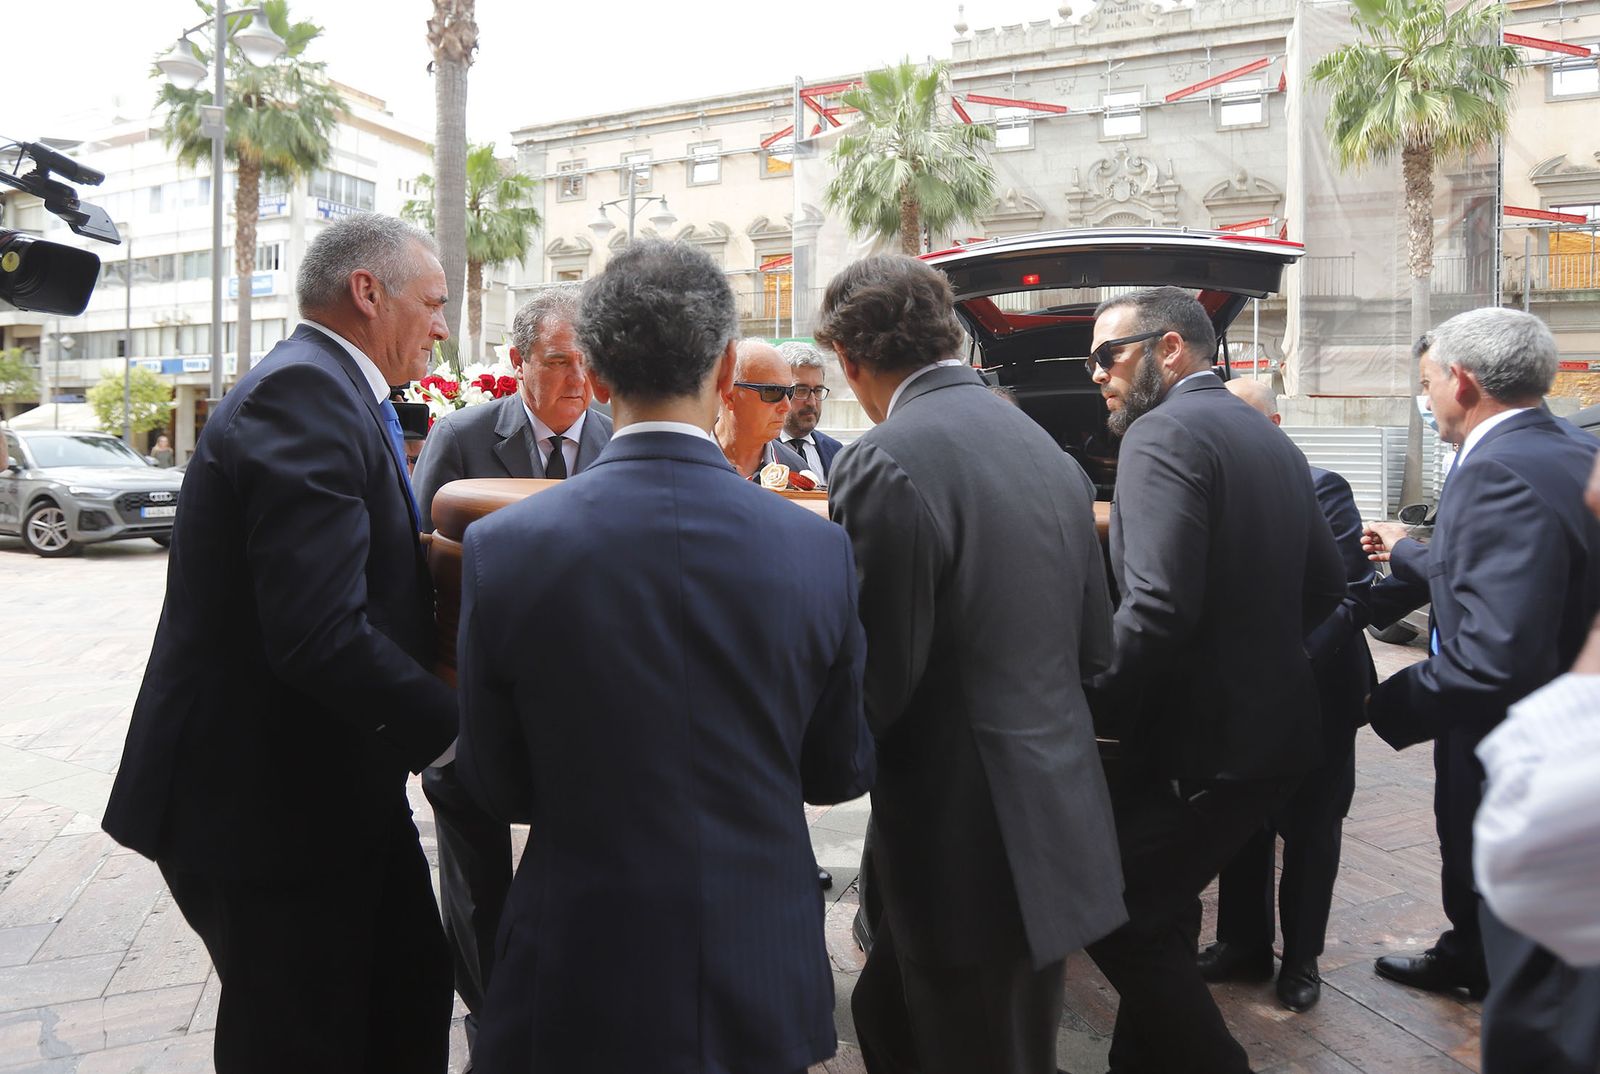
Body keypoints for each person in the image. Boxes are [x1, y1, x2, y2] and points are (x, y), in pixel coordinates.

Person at [454, 239, 875, 1074]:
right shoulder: (818, 548)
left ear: (595, 375)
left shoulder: (506, 548)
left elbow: (496, 785)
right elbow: (837, 768)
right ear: (728, 369)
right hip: (760, 951)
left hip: (582, 952)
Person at [101, 214, 458, 1074]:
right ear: (367, 293)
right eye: (433, 302)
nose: (443, 326)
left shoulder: (329, 387)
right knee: (303, 1039)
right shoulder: (303, 392)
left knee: (407, 991)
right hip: (263, 807)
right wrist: (458, 733)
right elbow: (319, 631)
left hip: (327, 784)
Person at [821, 254, 1126, 1074]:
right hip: (1053, 814)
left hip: (959, 834)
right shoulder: (1050, 454)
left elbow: (875, 681)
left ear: (848, 357)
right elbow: (1095, 645)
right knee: (904, 1018)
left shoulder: (882, 458)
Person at [1084, 286, 1346, 1074]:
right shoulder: (1270, 438)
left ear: (1169, 349)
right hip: (1276, 738)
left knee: (1120, 918)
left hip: (1200, 750)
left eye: (1107, 355)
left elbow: (1156, 607)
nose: (1096, 374)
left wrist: (1091, 704)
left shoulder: (1162, 432)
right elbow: (1327, 586)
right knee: (1160, 914)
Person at [1362, 306, 1600, 1073]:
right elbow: (1506, 580)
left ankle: (1489, 969)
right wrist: (1410, 554)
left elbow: (1490, 657)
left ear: (1461, 381)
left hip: (1508, 737)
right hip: (1558, 720)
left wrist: (1381, 705)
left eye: (1427, 381)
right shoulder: (1570, 449)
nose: (1426, 396)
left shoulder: (1495, 470)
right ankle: (1467, 952)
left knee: (1517, 940)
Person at [1200, 378, 1376, 1013]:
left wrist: (1292, 662)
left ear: (1274, 425)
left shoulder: (1323, 485)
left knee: (1312, 824)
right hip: (1242, 688)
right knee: (1242, 819)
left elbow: (1351, 593)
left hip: (1318, 686)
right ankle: (1242, 944)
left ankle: (1302, 957)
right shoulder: (1212, 489)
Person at [412, 286, 612, 532]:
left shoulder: (619, 442)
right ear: (518, 362)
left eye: (588, 361)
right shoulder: (460, 438)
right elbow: (422, 542)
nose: (578, 379)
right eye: (559, 362)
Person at [714, 338, 807, 480]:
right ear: (729, 396)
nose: (787, 406)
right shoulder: (687, 459)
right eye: (773, 391)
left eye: (789, 392)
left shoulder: (796, 471)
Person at [776, 339, 843, 481]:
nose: (812, 402)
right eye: (801, 390)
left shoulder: (835, 451)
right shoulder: (758, 450)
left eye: (818, 390)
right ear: (779, 390)